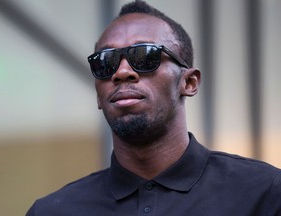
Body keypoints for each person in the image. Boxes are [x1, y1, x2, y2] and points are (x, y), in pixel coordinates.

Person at [26, 1, 281, 215]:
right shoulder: (54, 211)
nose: (122, 72)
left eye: (144, 56)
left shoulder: (264, 193)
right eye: (106, 62)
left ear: (189, 82)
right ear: (98, 94)